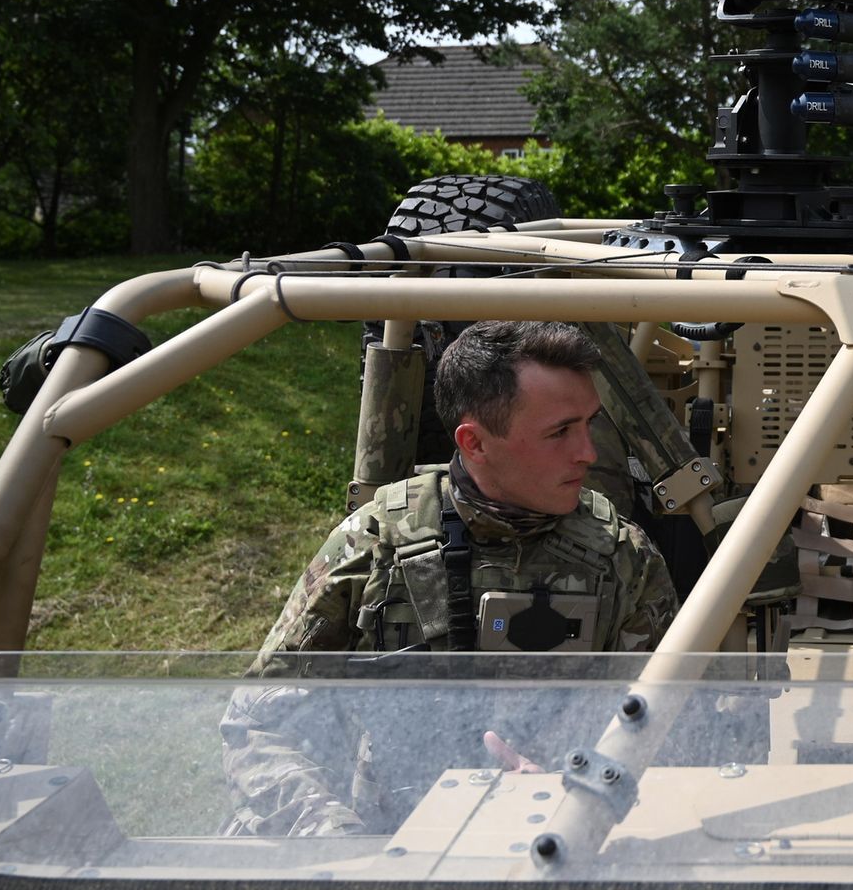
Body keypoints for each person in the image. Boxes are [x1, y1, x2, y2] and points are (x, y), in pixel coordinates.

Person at [221, 320, 679, 836]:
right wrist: (336, 843)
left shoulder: (624, 557)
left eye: (589, 425)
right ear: (475, 443)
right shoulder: (375, 545)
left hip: (564, 843)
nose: (588, 453)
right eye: (559, 432)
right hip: (389, 849)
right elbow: (259, 725)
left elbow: (678, 733)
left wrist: (568, 793)